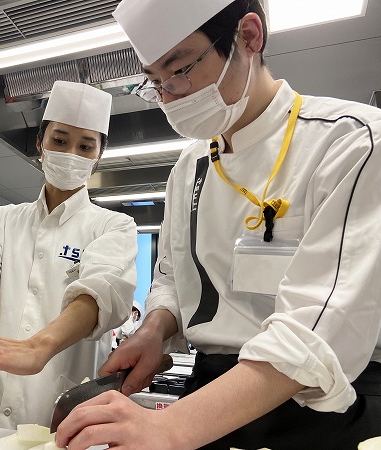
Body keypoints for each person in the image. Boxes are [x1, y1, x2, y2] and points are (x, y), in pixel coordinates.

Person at [55, 1, 381, 449]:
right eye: (155, 83)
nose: (169, 98)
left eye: (179, 70)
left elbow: (321, 327)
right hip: (210, 394)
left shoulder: (351, 142)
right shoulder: (190, 166)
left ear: (249, 37)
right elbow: (173, 277)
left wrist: (170, 428)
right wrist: (154, 329)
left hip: (321, 409)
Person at [0, 80, 137, 431]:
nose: (71, 154)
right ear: (40, 145)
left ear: (98, 157)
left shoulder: (114, 226)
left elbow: (99, 294)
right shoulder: (3, 219)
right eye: (59, 141)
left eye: (85, 146)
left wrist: (38, 347)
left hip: (58, 405)